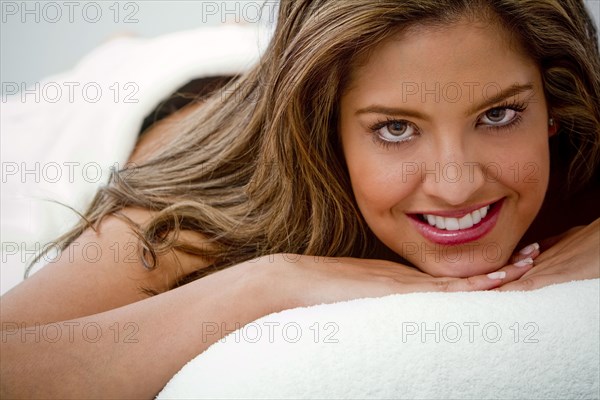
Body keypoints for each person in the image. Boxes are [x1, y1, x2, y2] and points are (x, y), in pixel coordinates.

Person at [1, 0, 599, 398]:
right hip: (125, 106)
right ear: (327, 133)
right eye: (394, 128)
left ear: (555, 106)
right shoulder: (207, 211)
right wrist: (265, 284)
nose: (456, 184)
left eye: (498, 114)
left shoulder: (577, 155)